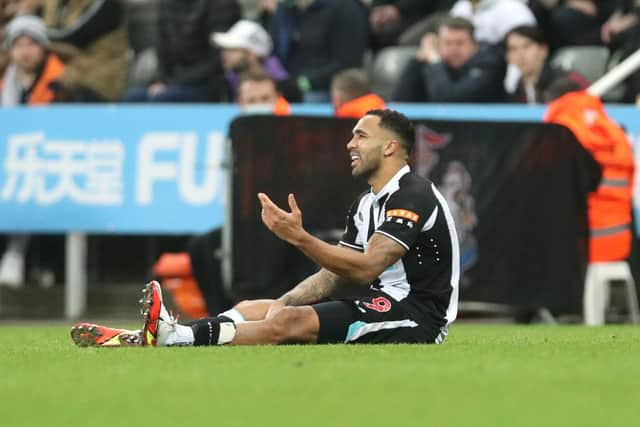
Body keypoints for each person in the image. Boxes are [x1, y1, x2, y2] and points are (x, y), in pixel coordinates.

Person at [71, 109, 460, 347]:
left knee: (288, 324)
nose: (349, 144)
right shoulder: (366, 203)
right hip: (385, 303)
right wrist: (285, 301)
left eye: (361, 135)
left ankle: (176, 339)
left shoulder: (413, 194)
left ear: (390, 147)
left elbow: (366, 268)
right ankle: (176, 332)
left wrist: (299, 238)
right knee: (258, 308)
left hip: (418, 316)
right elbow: (333, 274)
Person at [121, 0, 241, 103]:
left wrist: (174, 82)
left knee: (163, 99)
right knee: (131, 98)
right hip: (174, 80)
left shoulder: (222, 5)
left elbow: (218, 58)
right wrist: (162, 80)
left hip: (208, 82)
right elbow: (162, 47)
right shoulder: (168, 3)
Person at [263, 0, 368, 102]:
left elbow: (347, 63)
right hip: (286, 85)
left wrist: (303, 83)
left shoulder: (345, 8)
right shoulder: (285, 10)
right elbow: (271, 53)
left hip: (323, 89)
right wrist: (280, 79)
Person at [392, 17, 505, 102]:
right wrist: (417, 63)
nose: (453, 49)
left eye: (460, 43)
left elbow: (447, 100)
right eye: (447, 43)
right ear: (438, 45)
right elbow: (400, 102)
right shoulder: (430, 63)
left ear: (474, 45)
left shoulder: (489, 64)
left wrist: (435, 61)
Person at [210, 19, 290, 102]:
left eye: (233, 49)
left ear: (252, 54)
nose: (225, 54)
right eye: (225, 49)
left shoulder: (285, 87)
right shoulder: (224, 79)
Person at [504, 25, 588, 104]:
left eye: (527, 46)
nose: (521, 54)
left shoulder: (569, 83)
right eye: (513, 49)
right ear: (507, 57)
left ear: (543, 50)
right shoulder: (515, 91)